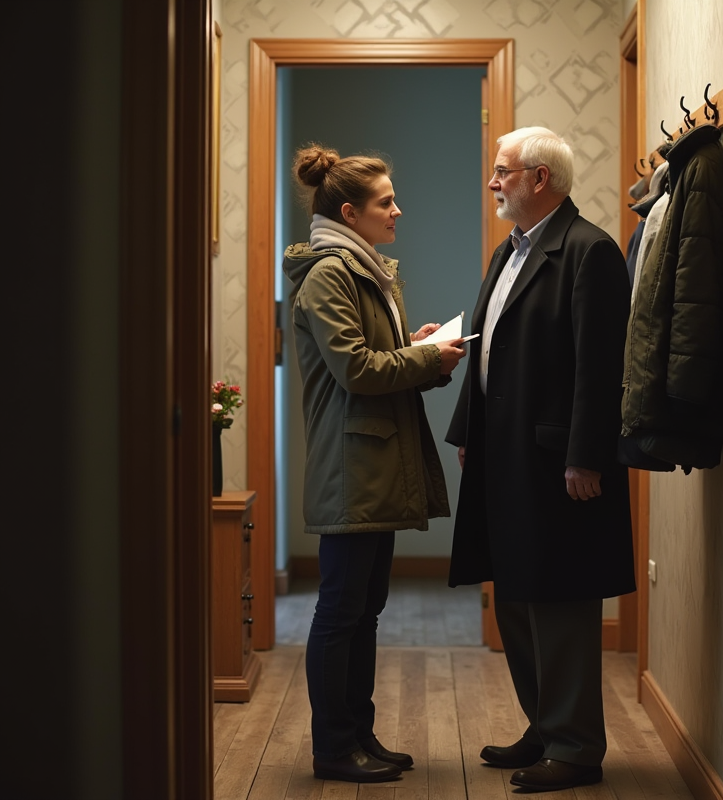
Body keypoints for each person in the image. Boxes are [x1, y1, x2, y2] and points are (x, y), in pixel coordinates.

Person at [446, 127, 635, 792]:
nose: (494, 182)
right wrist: (469, 428)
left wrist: (588, 457)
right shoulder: (509, 252)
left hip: (561, 465)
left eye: (503, 172)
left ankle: (577, 748)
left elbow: (600, 367)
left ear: (540, 180)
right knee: (518, 598)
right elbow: (488, 345)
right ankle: (543, 726)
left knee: (560, 601)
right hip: (506, 458)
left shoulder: (590, 252)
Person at [282, 144, 468, 784]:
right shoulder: (331, 274)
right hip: (352, 465)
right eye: (386, 201)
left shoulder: (360, 268)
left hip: (372, 461)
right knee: (342, 611)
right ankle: (335, 749)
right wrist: (427, 361)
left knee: (363, 609)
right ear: (348, 212)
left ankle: (357, 736)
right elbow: (356, 370)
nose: (398, 211)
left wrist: (417, 351)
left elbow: (370, 358)